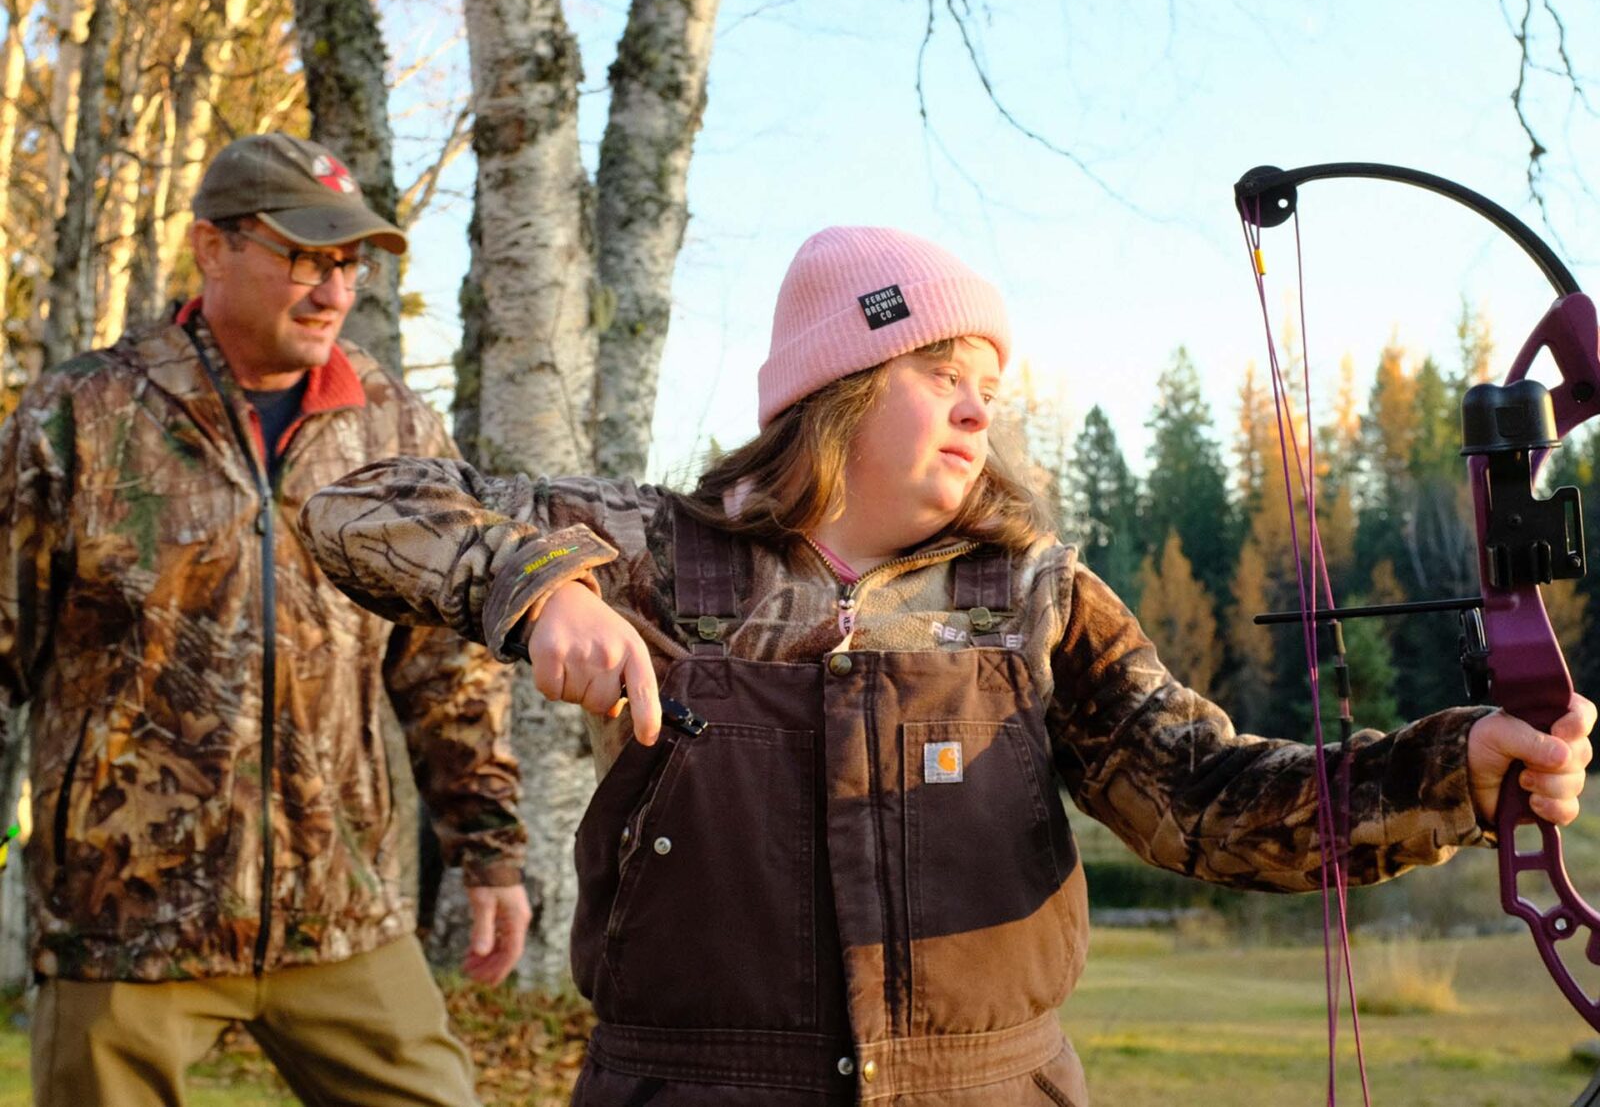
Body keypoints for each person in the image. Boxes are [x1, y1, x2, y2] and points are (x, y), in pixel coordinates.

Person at [298, 225, 1593, 1106]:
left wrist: (1455, 770)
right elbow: (355, 502)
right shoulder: (656, 553)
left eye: (989, 381)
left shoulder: (1035, 595)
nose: (979, 405)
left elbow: (1205, 799)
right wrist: (538, 591)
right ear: (837, 389)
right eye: (937, 369)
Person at [0, 133, 531, 1107]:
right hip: (124, 924)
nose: (333, 290)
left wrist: (489, 845)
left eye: (348, 262)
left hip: (340, 912)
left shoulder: (396, 429)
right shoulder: (79, 416)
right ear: (212, 246)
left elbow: (445, 664)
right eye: (304, 257)